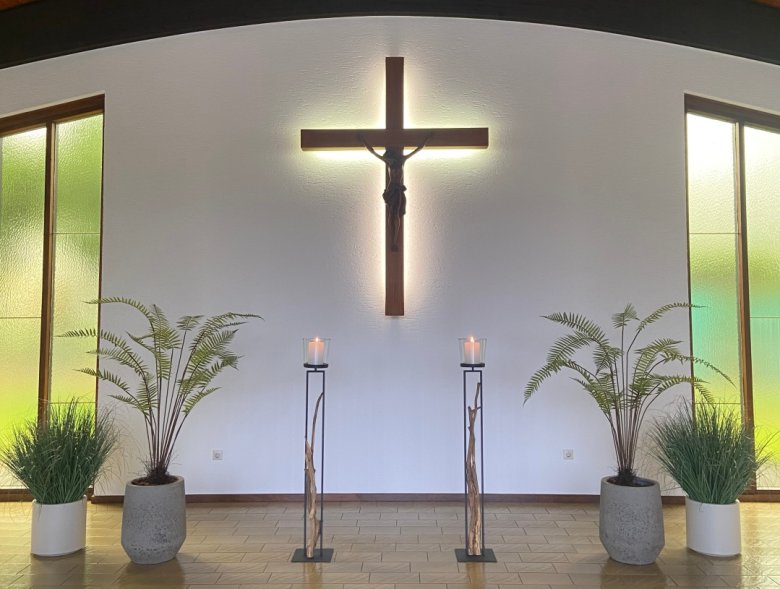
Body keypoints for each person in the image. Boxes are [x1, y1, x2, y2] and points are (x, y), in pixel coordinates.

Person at [359, 133, 432, 251]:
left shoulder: (402, 160)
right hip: (391, 191)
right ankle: (393, 240)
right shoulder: (389, 161)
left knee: (396, 214)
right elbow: (373, 152)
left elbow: (417, 149)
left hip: (397, 191)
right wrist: (363, 141)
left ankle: (394, 240)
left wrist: (426, 139)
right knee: (391, 214)